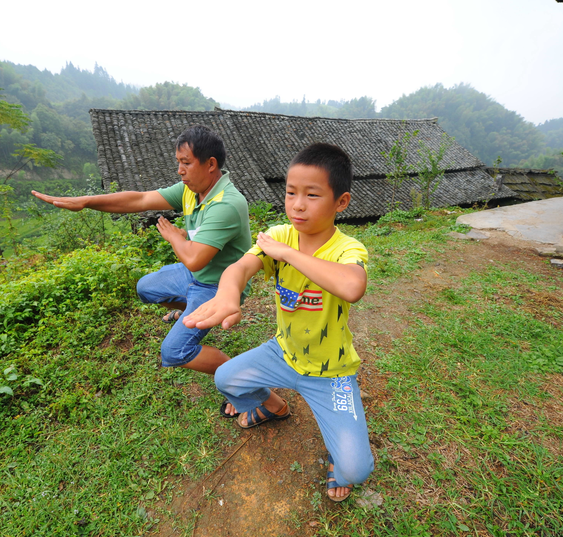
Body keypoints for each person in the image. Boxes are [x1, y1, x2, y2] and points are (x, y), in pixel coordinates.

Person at [183, 143, 374, 502]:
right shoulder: (279, 235)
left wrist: (287, 254)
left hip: (331, 371)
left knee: (356, 469)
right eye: (291, 193)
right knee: (226, 379)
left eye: (312, 195)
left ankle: (340, 457)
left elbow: (352, 286)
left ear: (341, 202)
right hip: (282, 353)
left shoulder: (347, 248)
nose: (297, 204)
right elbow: (241, 267)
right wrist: (227, 293)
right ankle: (273, 406)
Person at [31, 125, 251, 406]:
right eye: (178, 163)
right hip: (194, 275)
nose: (180, 171)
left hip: (220, 287)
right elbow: (140, 199)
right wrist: (86, 202)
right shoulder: (190, 190)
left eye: (186, 163)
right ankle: (189, 313)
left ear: (210, 165)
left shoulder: (227, 204)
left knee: (174, 352)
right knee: (146, 287)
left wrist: (175, 238)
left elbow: (194, 257)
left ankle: (241, 380)